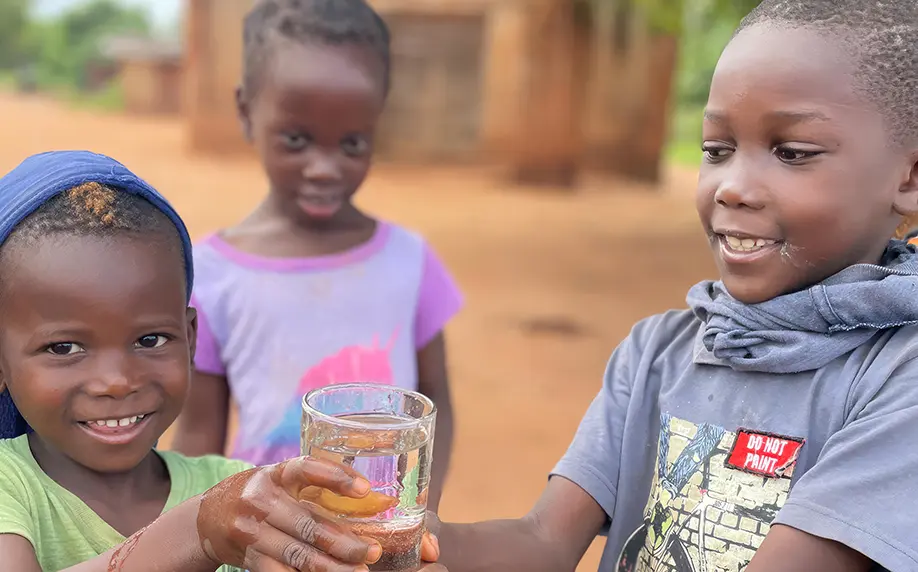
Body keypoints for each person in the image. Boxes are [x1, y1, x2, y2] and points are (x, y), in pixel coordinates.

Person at [291, 1, 918, 570]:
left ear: (909, 176)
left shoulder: (897, 379)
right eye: (717, 148)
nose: (731, 185)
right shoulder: (658, 355)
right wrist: (399, 538)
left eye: (794, 151)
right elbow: (542, 541)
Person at [0, 150, 445, 572]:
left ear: (190, 339)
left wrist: (364, 552)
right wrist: (196, 535)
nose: (117, 381)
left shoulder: (240, 490)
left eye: (150, 339)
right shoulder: (10, 486)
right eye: (64, 349)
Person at [171, 0, 461, 511]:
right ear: (245, 111)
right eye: (297, 139)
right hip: (266, 537)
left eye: (351, 143)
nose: (324, 168)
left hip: (382, 535)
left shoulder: (410, 262)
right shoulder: (211, 276)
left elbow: (437, 406)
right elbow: (199, 437)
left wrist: (422, 512)